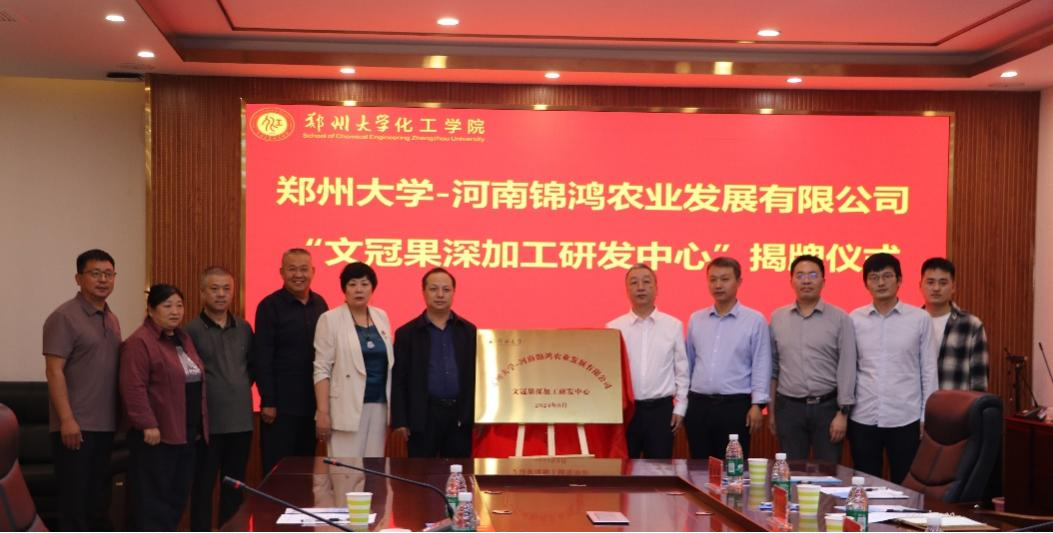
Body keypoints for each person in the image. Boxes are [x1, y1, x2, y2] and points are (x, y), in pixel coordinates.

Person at [42, 249, 122, 531]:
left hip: (106, 425)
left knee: (97, 504)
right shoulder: (63, 317)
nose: (103, 280)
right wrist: (66, 419)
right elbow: (54, 371)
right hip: (75, 426)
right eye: (95, 273)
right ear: (78, 278)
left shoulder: (111, 319)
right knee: (74, 506)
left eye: (109, 274)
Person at [120, 284, 208, 532]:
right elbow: (133, 387)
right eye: (167, 306)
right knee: (153, 502)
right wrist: (147, 424)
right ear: (150, 309)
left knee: (176, 498)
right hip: (157, 436)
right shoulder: (140, 342)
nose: (175, 311)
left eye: (179, 305)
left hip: (186, 433)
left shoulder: (183, 338)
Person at [849, 253, 938, 483]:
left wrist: (925, 416)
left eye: (887, 276)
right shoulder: (854, 319)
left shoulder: (920, 319)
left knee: (905, 485)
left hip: (905, 416)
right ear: (865, 283)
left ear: (899, 280)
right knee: (865, 484)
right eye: (874, 277)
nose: (881, 282)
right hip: (863, 416)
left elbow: (929, 370)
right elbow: (849, 369)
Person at [768, 255, 857, 463]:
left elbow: (847, 367)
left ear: (823, 281)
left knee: (828, 473)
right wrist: (771, 413)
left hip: (827, 408)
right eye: (800, 275)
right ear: (791, 281)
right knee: (790, 472)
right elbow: (773, 369)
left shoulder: (840, 318)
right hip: (789, 409)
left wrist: (843, 413)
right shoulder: (778, 318)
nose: (806, 281)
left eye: (813, 275)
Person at [186, 267, 254, 531]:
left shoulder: (244, 327)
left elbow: (251, 369)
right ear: (202, 292)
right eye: (214, 289)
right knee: (203, 487)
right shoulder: (190, 330)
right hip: (207, 424)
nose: (221, 294)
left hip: (241, 421)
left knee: (234, 487)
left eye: (226, 289)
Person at [685, 257, 771, 459]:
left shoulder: (754, 320)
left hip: (735, 407)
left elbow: (761, 363)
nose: (718, 285)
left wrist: (758, 405)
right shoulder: (696, 319)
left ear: (739, 282)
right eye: (713, 279)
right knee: (699, 467)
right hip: (698, 405)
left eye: (725, 279)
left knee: (733, 468)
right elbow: (689, 362)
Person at [251, 248, 329, 474]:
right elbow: (262, 356)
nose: (298, 275)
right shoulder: (269, 306)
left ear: (313, 271)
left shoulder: (320, 304)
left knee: (305, 471)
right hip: (280, 407)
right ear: (281, 272)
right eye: (292, 269)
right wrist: (268, 400)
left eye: (304, 269)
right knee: (277, 471)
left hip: (312, 404)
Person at [391, 268, 477, 458]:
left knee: (458, 471)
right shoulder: (407, 333)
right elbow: (398, 380)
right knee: (420, 471)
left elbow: (476, 377)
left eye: (446, 290)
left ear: (454, 292)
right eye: (433, 289)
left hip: (459, 416)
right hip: (422, 415)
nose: (440, 295)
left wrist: (477, 416)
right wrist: (400, 420)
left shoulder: (469, 331)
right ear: (423, 292)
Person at [606, 263, 689, 459]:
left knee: (660, 470)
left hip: (661, 411)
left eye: (646, 282)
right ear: (627, 289)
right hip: (626, 411)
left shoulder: (673, 325)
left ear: (656, 288)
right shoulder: (614, 328)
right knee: (625, 469)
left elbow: (682, 371)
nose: (640, 287)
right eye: (634, 283)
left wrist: (680, 407)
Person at [314, 262, 394, 457]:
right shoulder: (329, 319)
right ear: (344, 288)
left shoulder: (381, 316)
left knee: (374, 467)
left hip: (379, 404)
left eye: (365, 284)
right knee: (346, 469)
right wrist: (323, 412)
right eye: (352, 284)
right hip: (345, 406)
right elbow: (322, 369)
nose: (359, 289)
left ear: (372, 288)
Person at [919, 257, 989, 391]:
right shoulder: (911, 324)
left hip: (956, 403)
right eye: (930, 282)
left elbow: (979, 379)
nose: (936, 288)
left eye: (943, 283)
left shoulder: (971, 325)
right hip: (917, 403)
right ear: (920, 286)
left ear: (953, 287)